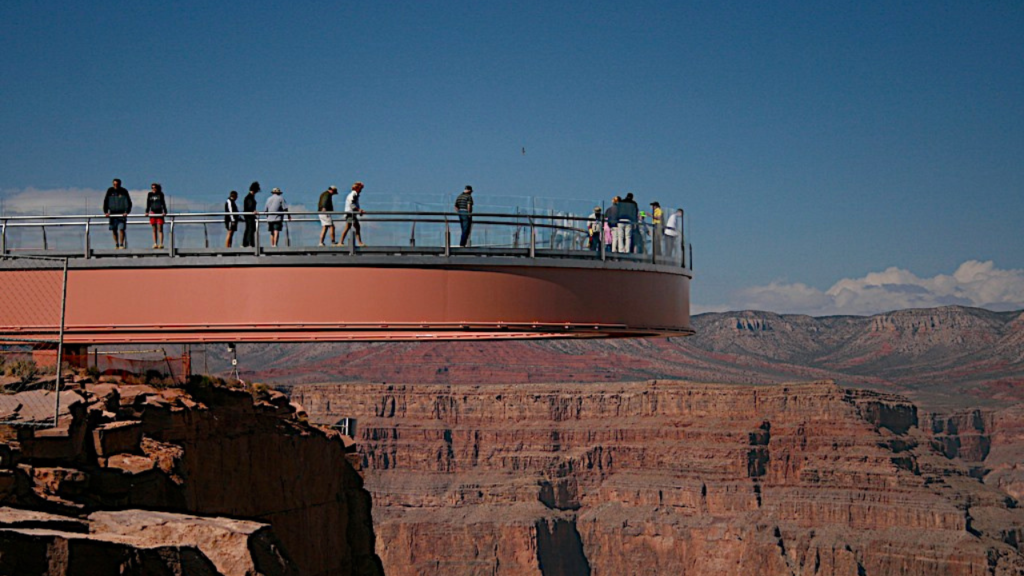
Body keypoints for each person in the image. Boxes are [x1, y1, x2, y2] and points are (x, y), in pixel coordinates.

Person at [103, 178, 132, 249]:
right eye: (114, 184)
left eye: (117, 184)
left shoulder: (124, 191)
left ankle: (121, 244)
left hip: (121, 213)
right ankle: (116, 244)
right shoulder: (110, 191)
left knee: (121, 228)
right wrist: (106, 211)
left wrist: (127, 211)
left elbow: (129, 202)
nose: (115, 185)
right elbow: (106, 201)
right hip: (112, 213)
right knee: (114, 229)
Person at [339, 182, 365, 247]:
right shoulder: (353, 194)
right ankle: (341, 242)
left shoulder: (355, 194)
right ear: (357, 188)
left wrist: (358, 211)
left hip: (352, 214)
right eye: (361, 188)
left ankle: (359, 242)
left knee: (356, 227)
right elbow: (351, 204)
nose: (361, 190)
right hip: (350, 214)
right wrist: (359, 210)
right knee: (349, 227)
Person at [146, 183, 168, 249]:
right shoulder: (150, 194)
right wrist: (147, 211)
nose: (153, 189)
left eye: (155, 187)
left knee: (160, 229)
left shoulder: (160, 194)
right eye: (152, 187)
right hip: (153, 212)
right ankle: (155, 243)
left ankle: (161, 243)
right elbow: (148, 203)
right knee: (154, 229)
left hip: (159, 212)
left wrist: (165, 211)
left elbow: (163, 203)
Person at [242, 182, 260, 247]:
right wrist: (253, 211)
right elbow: (249, 207)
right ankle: (249, 243)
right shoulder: (249, 197)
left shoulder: (249, 197)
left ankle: (247, 243)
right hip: (249, 216)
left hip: (248, 215)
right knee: (250, 229)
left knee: (249, 229)